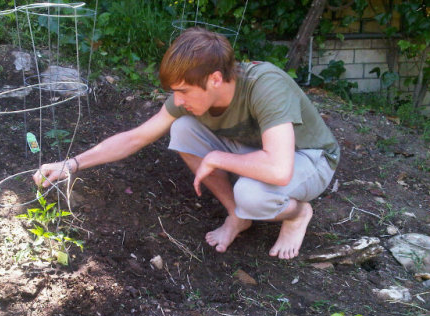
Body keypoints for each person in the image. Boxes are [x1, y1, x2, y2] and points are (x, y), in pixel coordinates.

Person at [33, 27, 340, 260]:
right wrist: (70, 164)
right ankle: (238, 216)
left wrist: (218, 158)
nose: (177, 100)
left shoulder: (265, 85)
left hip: (309, 158)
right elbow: (136, 136)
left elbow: (279, 169)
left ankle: (297, 213)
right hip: (259, 150)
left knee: (252, 194)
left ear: (215, 79)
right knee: (182, 129)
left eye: (183, 91)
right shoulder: (192, 93)